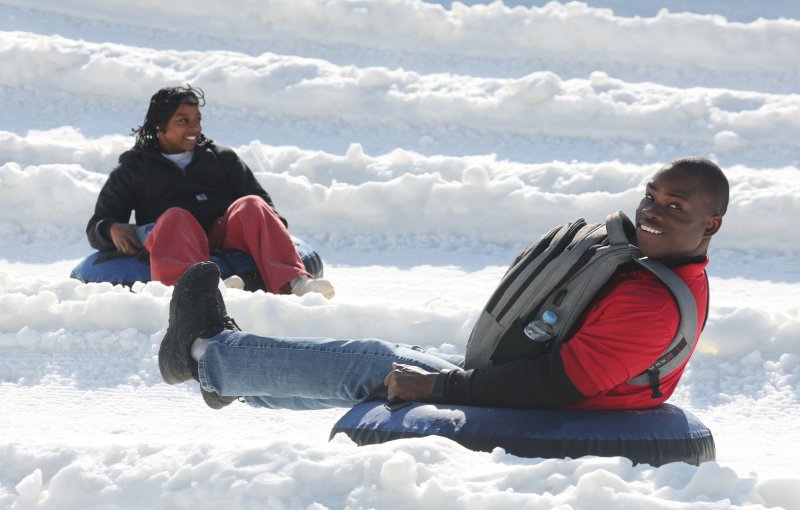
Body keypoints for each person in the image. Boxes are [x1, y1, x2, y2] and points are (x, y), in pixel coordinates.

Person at [158, 156, 728, 410]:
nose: (652, 210)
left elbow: (558, 387)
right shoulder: (653, 265)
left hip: (569, 411)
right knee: (381, 362)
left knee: (373, 367)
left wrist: (440, 390)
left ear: (711, 224)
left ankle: (202, 351)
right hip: (559, 391)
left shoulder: (651, 302)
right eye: (651, 195)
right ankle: (224, 372)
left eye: (674, 205)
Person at [86, 85, 333, 298]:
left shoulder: (221, 158)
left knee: (252, 203)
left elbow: (268, 210)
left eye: (197, 119)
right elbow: (97, 226)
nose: (194, 127)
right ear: (159, 125)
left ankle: (294, 282)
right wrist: (110, 228)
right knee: (175, 216)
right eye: (183, 120)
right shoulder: (133, 169)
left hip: (221, 235)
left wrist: (268, 239)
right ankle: (205, 289)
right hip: (174, 239)